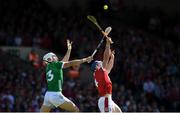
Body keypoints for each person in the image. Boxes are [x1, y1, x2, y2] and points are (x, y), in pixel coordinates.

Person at [40, 40, 93, 112]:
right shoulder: (55, 65)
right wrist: (85, 59)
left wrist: (69, 50)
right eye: (54, 57)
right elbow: (70, 63)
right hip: (56, 95)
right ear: (49, 59)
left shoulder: (49, 67)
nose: (56, 58)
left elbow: (64, 61)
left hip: (48, 95)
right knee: (76, 110)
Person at [91, 37, 122, 112]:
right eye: (100, 63)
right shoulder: (99, 71)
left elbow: (109, 68)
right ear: (97, 66)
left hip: (108, 100)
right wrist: (107, 43)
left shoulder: (100, 73)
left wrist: (112, 57)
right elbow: (105, 57)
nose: (101, 63)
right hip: (105, 101)